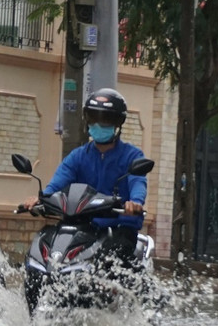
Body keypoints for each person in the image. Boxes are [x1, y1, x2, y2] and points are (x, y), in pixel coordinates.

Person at [23, 88, 148, 264]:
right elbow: (58, 182)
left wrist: (135, 202)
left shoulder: (132, 156)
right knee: (46, 248)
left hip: (118, 228)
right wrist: (41, 198)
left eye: (106, 119)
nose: (98, 124)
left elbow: (138, 181)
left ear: (118, 123)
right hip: (82, 228)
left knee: (114, 262)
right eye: (93, 118)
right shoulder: (78, 156)